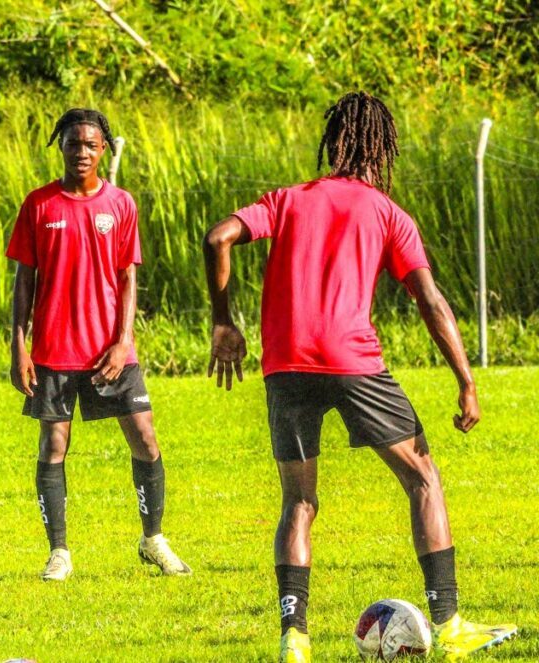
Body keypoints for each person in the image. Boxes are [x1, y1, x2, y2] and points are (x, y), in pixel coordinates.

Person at [202, 92, 516, 662]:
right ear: (382, 147)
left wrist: (224, 323)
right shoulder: (386, 211)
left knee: (299, 502)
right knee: (423, 478)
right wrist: (466, 379)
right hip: (353, 362)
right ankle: (448, 626)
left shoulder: (288, 199)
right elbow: (429, 299)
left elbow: (217, 236)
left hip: (286, 365)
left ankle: (294, 639)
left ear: (335, 140)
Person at [6, 108, 190, 581]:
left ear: (103, 148)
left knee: (145, 439)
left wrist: (123, 339)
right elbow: (24, 280)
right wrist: (18, 345)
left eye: (91, 144)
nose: (81, 152)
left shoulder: (121, 204)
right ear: (59, 145)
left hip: (111, 351)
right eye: (73, 143)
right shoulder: (39, 205)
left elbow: (128, 277)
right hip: (53, 351)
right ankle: (59, 552)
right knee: (53, 446)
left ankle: (153, 539)